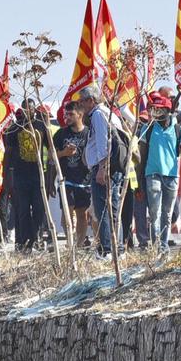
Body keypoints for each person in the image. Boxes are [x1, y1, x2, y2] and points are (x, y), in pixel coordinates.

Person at [2, 100, 56, 251]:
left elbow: (51, 152)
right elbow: (8, 153)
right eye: (24, 109)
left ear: (35, 110)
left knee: (39, 209)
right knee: (23, 210)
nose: (27, 112)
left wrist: (50, 179)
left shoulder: (42, 126)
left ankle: (35, 237)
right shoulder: (14, 128)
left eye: (30, 109)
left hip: (39, 175)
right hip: (20, 175)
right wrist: (6, 177)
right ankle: (24, 243)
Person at [80, 85, 125, 259]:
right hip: (111, 167)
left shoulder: (99, 114)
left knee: (103, 209)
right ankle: (116, 248)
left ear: (91, 100)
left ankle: (107, 249)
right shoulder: (108, 112)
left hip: (105, 169)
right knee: (111, 208)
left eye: (82, 101)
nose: (80, 105)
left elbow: (103, 144)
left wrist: (102, 168)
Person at [137, 93, 181, 252]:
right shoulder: (147, 128)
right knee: (155, 213)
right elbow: (142, 156)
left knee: (168, 214)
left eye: (159, 109)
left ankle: (163, 246)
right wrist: (139, 180)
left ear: (167, 110)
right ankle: (157, 247)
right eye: (154, 109)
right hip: (152, 175)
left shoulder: (178, 129)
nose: (155, 112)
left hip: (172, 177)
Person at [53, 101, 94, 248]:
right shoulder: (61, 133)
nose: (67, 117)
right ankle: (70, 242)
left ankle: (79, 244)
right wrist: (64, 153)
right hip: (67, 179)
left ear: (80, 115)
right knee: (67, 212)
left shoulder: (89, 132)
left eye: (71, 114)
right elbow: (51, 156)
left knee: (82, 213)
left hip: (85, 180)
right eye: (66, 114)